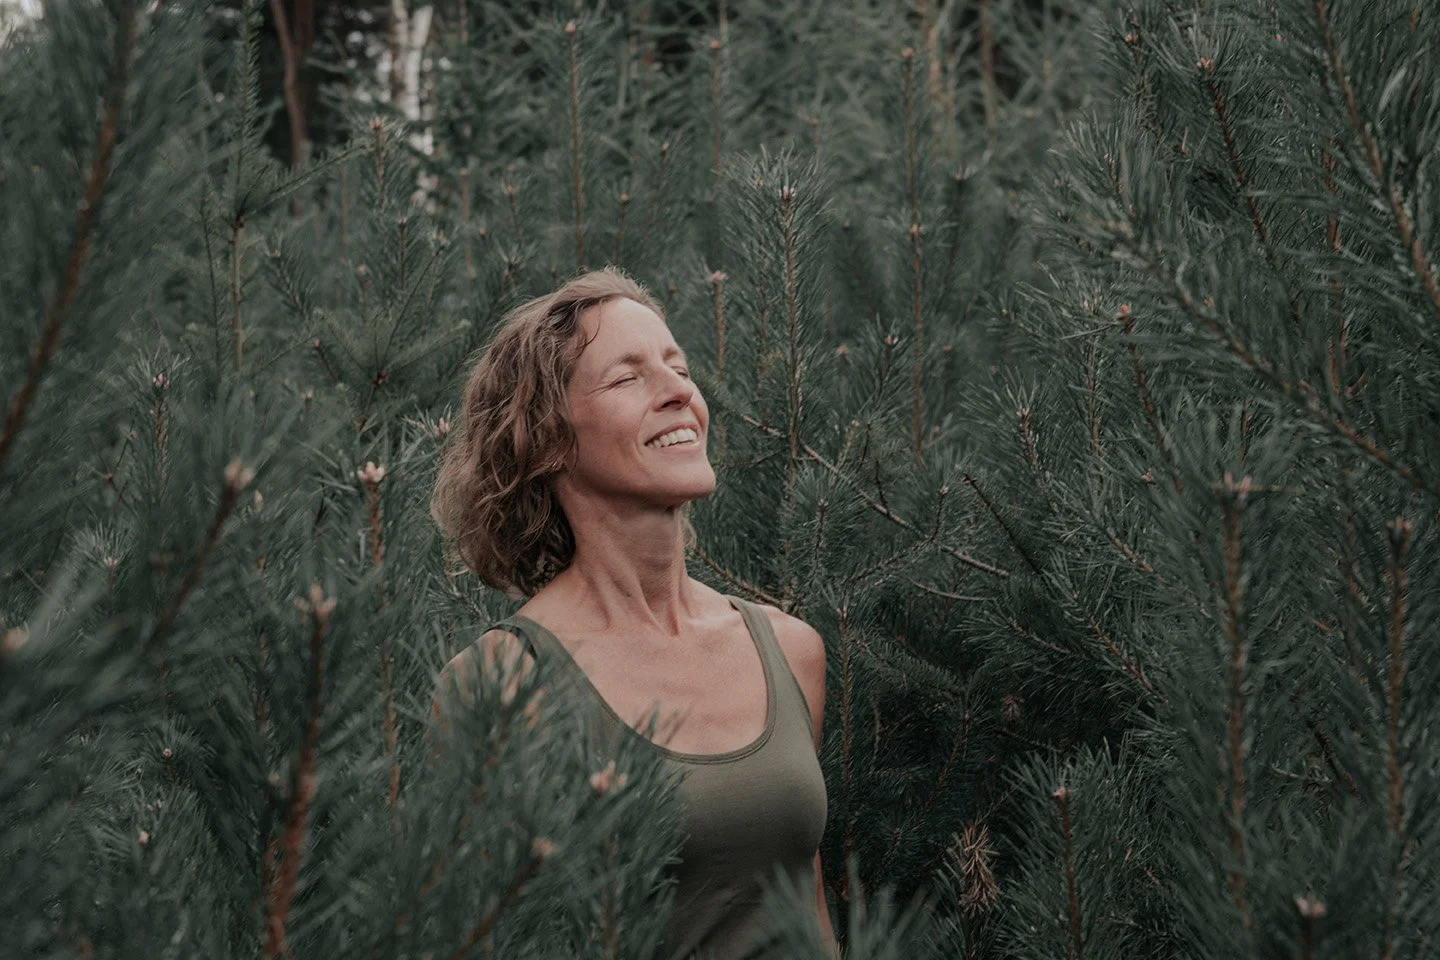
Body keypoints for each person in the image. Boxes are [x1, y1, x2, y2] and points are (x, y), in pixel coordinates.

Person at [428, 266, 840, 959]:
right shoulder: (501, 685)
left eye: (678, 367)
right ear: (549, 438)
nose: (679, 390)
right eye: (629, 378)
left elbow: (806, 901)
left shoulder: (791, 649)